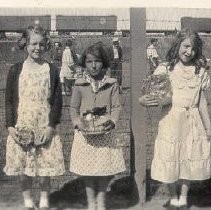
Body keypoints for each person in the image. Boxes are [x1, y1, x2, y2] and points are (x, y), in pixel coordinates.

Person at [139, 29, 211, 208]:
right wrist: (144, 100)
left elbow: (201, 101)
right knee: (170, 156)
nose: (189, 52)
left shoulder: (199, 71)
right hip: (171, 119)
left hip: (192, 120)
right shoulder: (166, 68)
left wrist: (208, 126)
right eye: (186, 46)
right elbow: (152, 94)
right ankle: (172, 196)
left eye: (193, 49)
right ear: (177, 45)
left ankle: (184, 198)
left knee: (189, 155)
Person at [4, 24, 65, 210]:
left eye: (41, 44)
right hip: (22, 125)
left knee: (44, 166)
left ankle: (45, 200)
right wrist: (10, 127)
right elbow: (8, 100)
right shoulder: (16, 70)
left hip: (43, 125)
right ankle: (28, 201)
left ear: (46, 45)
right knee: (24, 167)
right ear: (25, 44)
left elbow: (57, 101)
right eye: (33, 44)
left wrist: (50, 127)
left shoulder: (51, 70)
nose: (37, 48)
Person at [69, 43, 126, 210]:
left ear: (105, 63)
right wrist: (76, 122)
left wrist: (113, 121)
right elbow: (73, 107)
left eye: (98, 61)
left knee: (103, 170)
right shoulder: (79, 84)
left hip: (105, 132)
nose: (93, 66)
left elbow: (116, 107)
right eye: (89, 62)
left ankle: (101, 202)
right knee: (88, 171)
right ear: (84, 64)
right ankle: (91, 202)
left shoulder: (111, 84)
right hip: (85, 133)